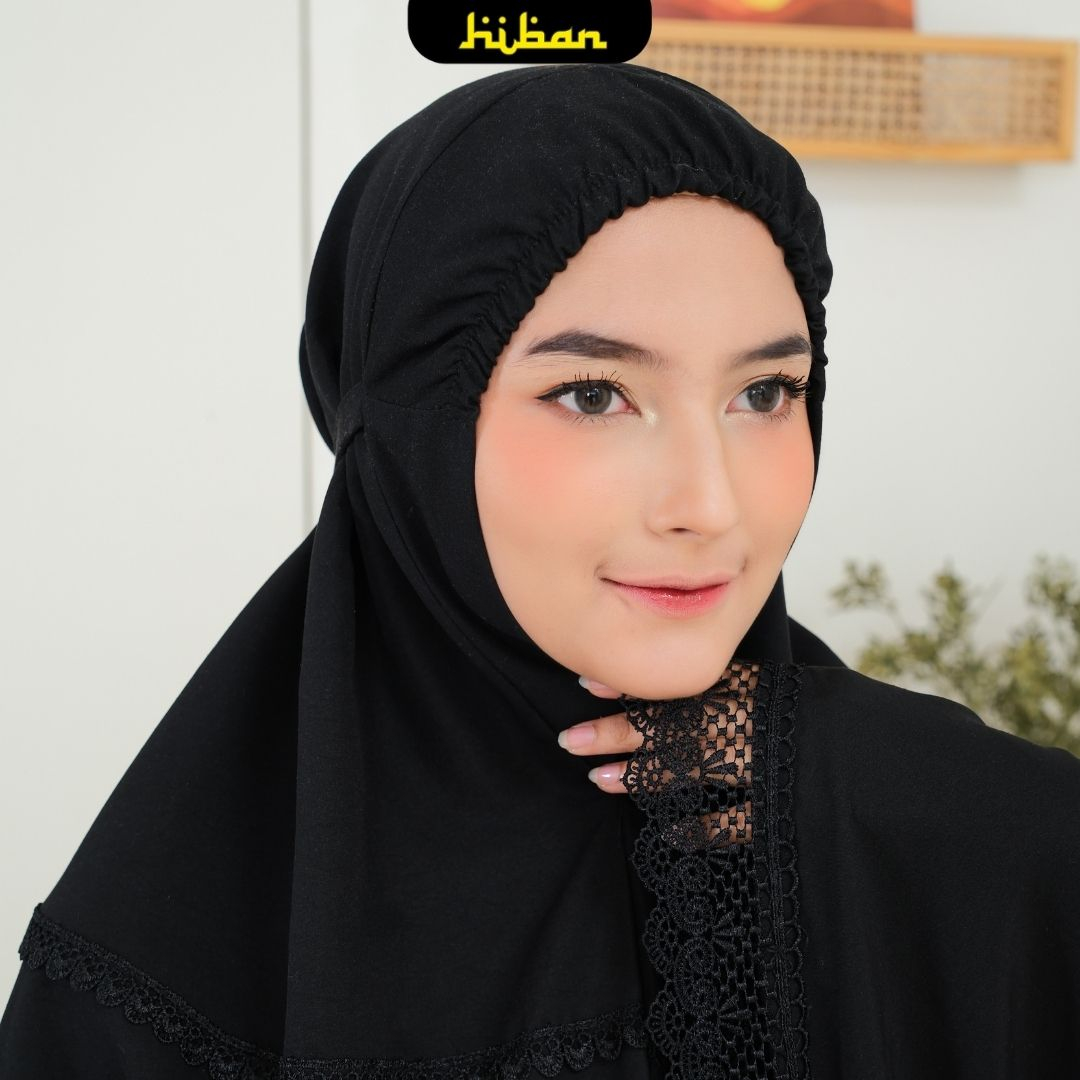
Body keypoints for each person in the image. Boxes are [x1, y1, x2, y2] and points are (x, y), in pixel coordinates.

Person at [0, 61, 1077, 1079]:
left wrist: (922, 792)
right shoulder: (164, 952)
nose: (709, 505)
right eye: (594, 395)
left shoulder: (868, 795)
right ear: (418, 434)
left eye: (765, 394)